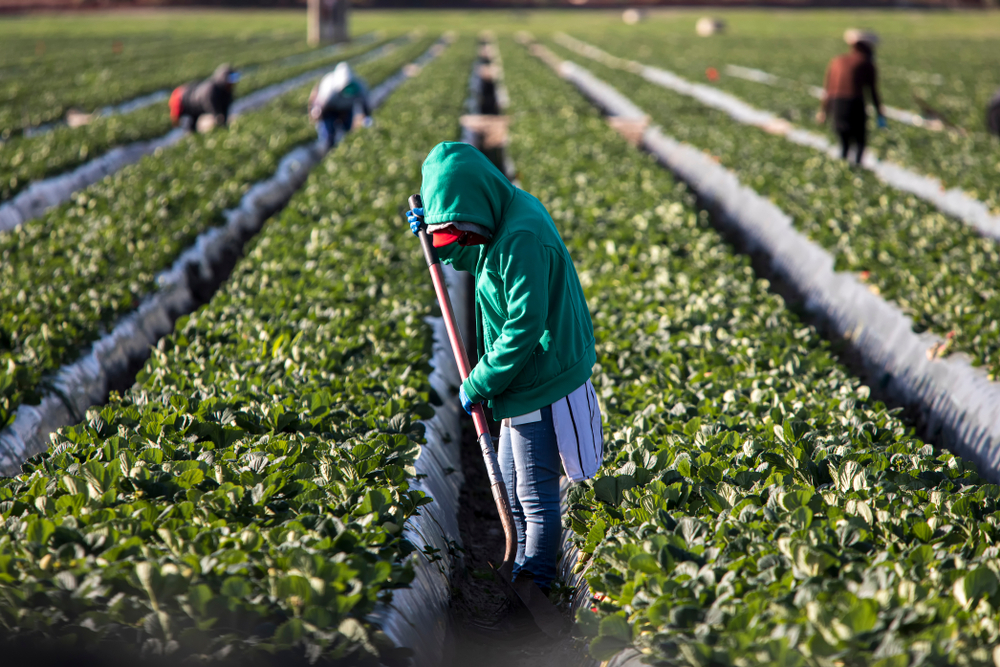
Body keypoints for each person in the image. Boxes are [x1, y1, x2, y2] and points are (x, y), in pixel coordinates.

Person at [406, 142, 603, 592]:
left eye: (457, 233)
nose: (458, 244)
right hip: (518, 378)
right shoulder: (499, 217)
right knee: (512, 486)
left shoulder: (520, 236)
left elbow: (523, 327)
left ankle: (534, 584)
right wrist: (433, 236)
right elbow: (479, 254)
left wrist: (479, 380)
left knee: (535, 496)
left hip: (540, 377)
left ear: (476, 211)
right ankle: (521, 566)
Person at [817, 29, 885, 165]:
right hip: (855, 104)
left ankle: (844, 169)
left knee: (844, 143)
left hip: (837, 105)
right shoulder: (865, 63)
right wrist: (880, 114)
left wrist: (824, 111)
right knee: (860, 142)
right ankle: (857, 168)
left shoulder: (837, 61)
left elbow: (828, 90)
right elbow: (872, 91)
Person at [309, 62, 372, 149]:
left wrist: (367, 117)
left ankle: (345, 148)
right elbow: (321, 106)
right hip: (329, 109)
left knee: (348, 131)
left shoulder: (358, 85)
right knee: (328, 133)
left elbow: (365, 103)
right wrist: (316, 116)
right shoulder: (329, 86)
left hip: (346, 109)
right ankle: (327, 148)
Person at [169, 63, 239, 132]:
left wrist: (224, 122)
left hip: (195, 105)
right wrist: (219, 118)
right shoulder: (211, 90)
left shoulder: (226, 91)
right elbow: (211, 106)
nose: (232, 84)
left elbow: (225, 108)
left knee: (193, 125)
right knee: (185, 125)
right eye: (230, 81)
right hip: (184, 102)